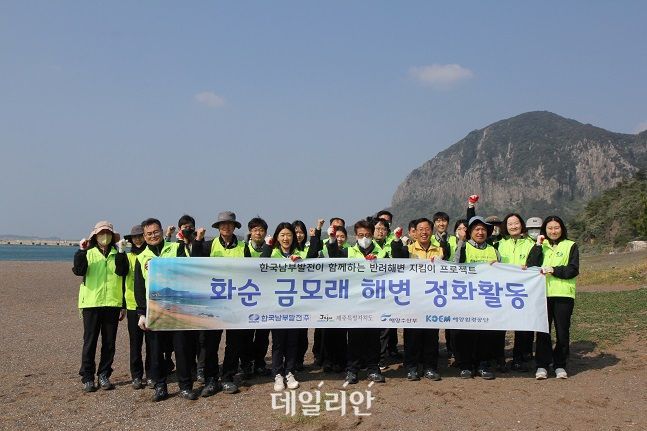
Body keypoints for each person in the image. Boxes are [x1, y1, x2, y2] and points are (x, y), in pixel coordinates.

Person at [134, 218, 196, 401]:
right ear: (144, 236)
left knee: (182, 348)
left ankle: (185, 386)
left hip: (177, 308)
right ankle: (160, 386)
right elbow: (139, 286)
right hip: (154, 310)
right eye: (149, 233)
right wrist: (141, 313)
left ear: (162, 231)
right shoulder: (141, 257)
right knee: (155, 351)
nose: (153, 236)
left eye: (155, 232)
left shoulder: (175, 249)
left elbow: (189, 267)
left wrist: (186, 242)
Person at [191, 211, 246, 395]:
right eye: (223, 225)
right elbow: (195, 264)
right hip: (212, 304)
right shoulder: (208, 245)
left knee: (235, 342)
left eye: (230, 224)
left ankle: (228, 377)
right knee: (209, 343)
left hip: (235, 303)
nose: (226, 227)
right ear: (218, 227)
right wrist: (197, 241)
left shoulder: (243, 247)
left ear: (235, 227)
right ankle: (211, 379)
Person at [326, 219, 387, 385]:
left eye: (367, 235)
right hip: (354, 302)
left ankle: (373, 368)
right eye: (361, 235)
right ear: (356, 236)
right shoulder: (348, 252)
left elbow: (393, 271)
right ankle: (352, 370)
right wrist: (331, 240)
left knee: (373, 337)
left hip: (374, 301)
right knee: (354, 337)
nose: (364, 238)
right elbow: (333, 259)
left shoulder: (381, 253)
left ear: (372, 235)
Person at [262, 222, 320, 391]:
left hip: (296, 305)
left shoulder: (299, 253)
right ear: (277, 237)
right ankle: (278, 374)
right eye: (282, 235)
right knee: (279, 342)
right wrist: (267, 246)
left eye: (289, 235)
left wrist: (299, 263)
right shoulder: (272, 254)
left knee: (293, 341)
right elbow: (260, 267)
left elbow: (312, 262)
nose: (286, 238)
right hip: (277, 305)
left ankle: (290, 371)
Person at [73, 221, 128, 393]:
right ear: (95, 236)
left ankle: (104, 374)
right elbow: (79, 270)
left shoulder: (117, 253)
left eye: (108, 233)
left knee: (109, 343)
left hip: (112, 303)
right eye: (101, 233)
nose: (105, 236)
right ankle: (87, 377)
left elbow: (123, 273)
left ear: (112, 236)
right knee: (89, 342)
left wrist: (121, 251)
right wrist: (81, 251)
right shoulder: (88, 253)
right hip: (91, 303)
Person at [391, 218, 447, 381]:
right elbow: (396, 259)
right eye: (420, 229)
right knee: (412, 335)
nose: (424, 232)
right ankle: (412, 367)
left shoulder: (439, 250)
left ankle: (430, 367)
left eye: (427, 228)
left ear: (432, 230)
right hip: (413, 299)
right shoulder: (407, 250)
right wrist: (396, 240)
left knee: (431, 335)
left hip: (432, 297)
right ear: (414, 232)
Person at [528, 216, 579, 380]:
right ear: (544, 230)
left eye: (556, 227)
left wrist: (554, 270)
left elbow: (573, 269)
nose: (553, 231)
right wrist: (537, 245)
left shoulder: (571, 245)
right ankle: (542, 365)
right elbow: (531, 265)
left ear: (562, 228)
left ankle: (560, 365)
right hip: (542, 295)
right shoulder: (540, 245)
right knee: (543, 332)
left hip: (564, 295)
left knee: (562, 332)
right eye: (549, 228)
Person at [452, 216, 501, 380]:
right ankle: (465, 365)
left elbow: (502, 273)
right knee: (466, 333)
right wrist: (461, 242)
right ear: (470, 232)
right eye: (476, 229)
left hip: (486, 299)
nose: (480, 232)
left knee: (485, 333)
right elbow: (456, 265)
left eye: (483, 230)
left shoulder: (493, 250)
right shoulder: (464, 247)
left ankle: (483, 365)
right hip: (466, 298)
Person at [495, 213, 536, 372]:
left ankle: (519, 359)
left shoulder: (531, 244)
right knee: (500, 327)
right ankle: (499, 359)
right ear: (505, 226)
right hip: (502, 291)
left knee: (522, 327)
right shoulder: (499, 245)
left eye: (516, 223)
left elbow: (536, 263)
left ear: (522, 225)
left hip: (523, 291)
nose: (513, 226)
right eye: (510, 224)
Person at [239, 217, 272, 377]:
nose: (258, 233)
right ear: (250, 232)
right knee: (246, 334)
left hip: (265, 298)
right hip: (248, 297)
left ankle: (259, 362)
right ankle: (245, 364)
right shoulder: (243, 248)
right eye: (255, 230)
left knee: (262, 335)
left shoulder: (271, 249)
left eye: (261, 230)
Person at [123, 224, 150, 389]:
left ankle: (152, 374)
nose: (138, 239)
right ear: (131, 240)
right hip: (133, 305)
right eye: (135, 237)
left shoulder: (151, 254)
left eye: (141, 236)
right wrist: (122, 305)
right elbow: (120, 275)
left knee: (152, 343)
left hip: (152, 303)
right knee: (136, 343)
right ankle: (136, 376)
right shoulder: (127, 257)